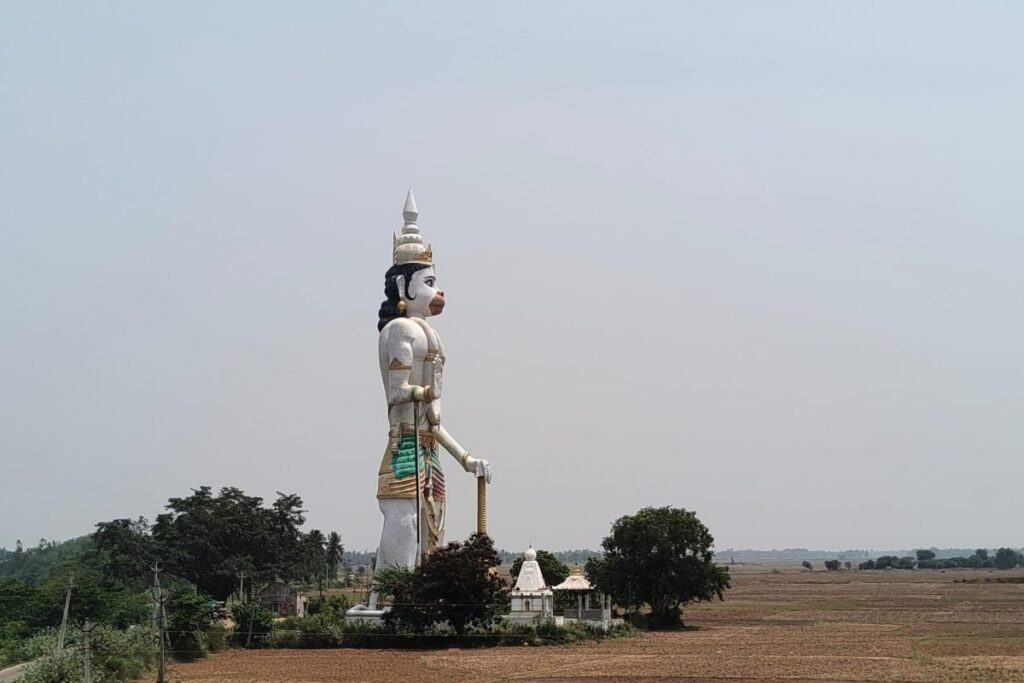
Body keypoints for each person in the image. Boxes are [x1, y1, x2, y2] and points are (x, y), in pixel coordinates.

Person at [368, 192, 491, 607]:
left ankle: (413, 599)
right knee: (404, 525)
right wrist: (425, 390)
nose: (438, 292)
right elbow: (397, 394)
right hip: (403, 446)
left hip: (426, 450)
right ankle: (388, 600)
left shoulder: (431, 336)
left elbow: (434, 423)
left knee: (430, 531)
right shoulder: (400, 331)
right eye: (430, 282)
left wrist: (466, 458)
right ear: (404, 285)